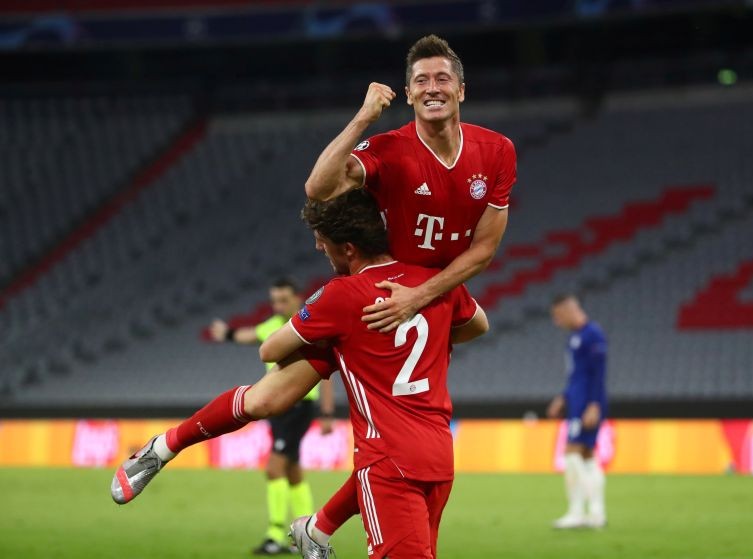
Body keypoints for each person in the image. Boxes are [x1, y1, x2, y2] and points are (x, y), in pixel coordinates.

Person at [110, 190, 488, 559]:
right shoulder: (433, 278)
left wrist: (354, 338)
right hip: (433, 452)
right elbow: (478, 326)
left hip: (399, 455)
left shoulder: (341, 294)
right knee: (267, 399)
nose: (318, 249)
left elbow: (269, 349)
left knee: (263, 399)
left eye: (323, 242)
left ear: (349, 249)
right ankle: (162, 449)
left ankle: (312, 527)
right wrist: (413, 320)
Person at [292, 32, 517, 557]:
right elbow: (318, 188)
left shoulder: (497, 151)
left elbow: (484, 251)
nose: (432, 87)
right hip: (379, 293)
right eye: (421, 81)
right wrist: (364, 117)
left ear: (462, 89)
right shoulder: (389, 150)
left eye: (442, 79)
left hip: (428, 297)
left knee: (476, 335)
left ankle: (317, 529)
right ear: (409, 94)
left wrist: (420, 298)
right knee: (276, 392)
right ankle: (167, 447)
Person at [208, 279, 335, 555]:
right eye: (274, 300)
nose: (277, 305)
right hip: (278, 408)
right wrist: (227, 334)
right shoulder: (273, 325)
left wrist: (327, 412)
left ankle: (275, 535)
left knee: (274, 468)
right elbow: (251, 335)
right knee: (292, 471)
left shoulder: (310, 325)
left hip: (300, 405)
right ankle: (309, 532)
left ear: (296, 298)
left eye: (283, 299)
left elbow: (325, 373)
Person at [546, 294, 608, 529]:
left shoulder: (593, 334)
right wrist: (563, 397)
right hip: (576, 402)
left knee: (572, 454)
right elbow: (576, 376)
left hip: (586, 405)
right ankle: (596, 513)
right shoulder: (575, 337)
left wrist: (593, 404)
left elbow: (598, 374)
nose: (557, 321)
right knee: (587, 457)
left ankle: (578, 512)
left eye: (558, 316)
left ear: (569, 309)